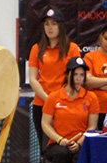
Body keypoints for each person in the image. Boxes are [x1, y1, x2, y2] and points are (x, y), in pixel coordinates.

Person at [41, 57, 100, 163]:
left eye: (82, 75)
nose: (79, 79)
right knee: (62, 154)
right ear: (68, 75)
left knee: (84, 156)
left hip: (80, 142)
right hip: (57, 143)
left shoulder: (91, 98)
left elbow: (92, 127)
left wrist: (78, 142)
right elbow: (45, 124)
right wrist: (60, 140)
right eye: (75, 75)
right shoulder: (54, 97)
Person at [28, 8, 82, 146]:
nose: (50, 28)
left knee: (66, 144)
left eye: (53, 24)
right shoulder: (36, 49)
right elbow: (33, 79)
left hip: (65, 102)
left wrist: (59, 99)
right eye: (46, 24)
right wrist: (48, 100)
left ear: (60, 26)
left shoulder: (72, 48)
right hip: (42, 102)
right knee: (45, 146)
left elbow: (76, 77)